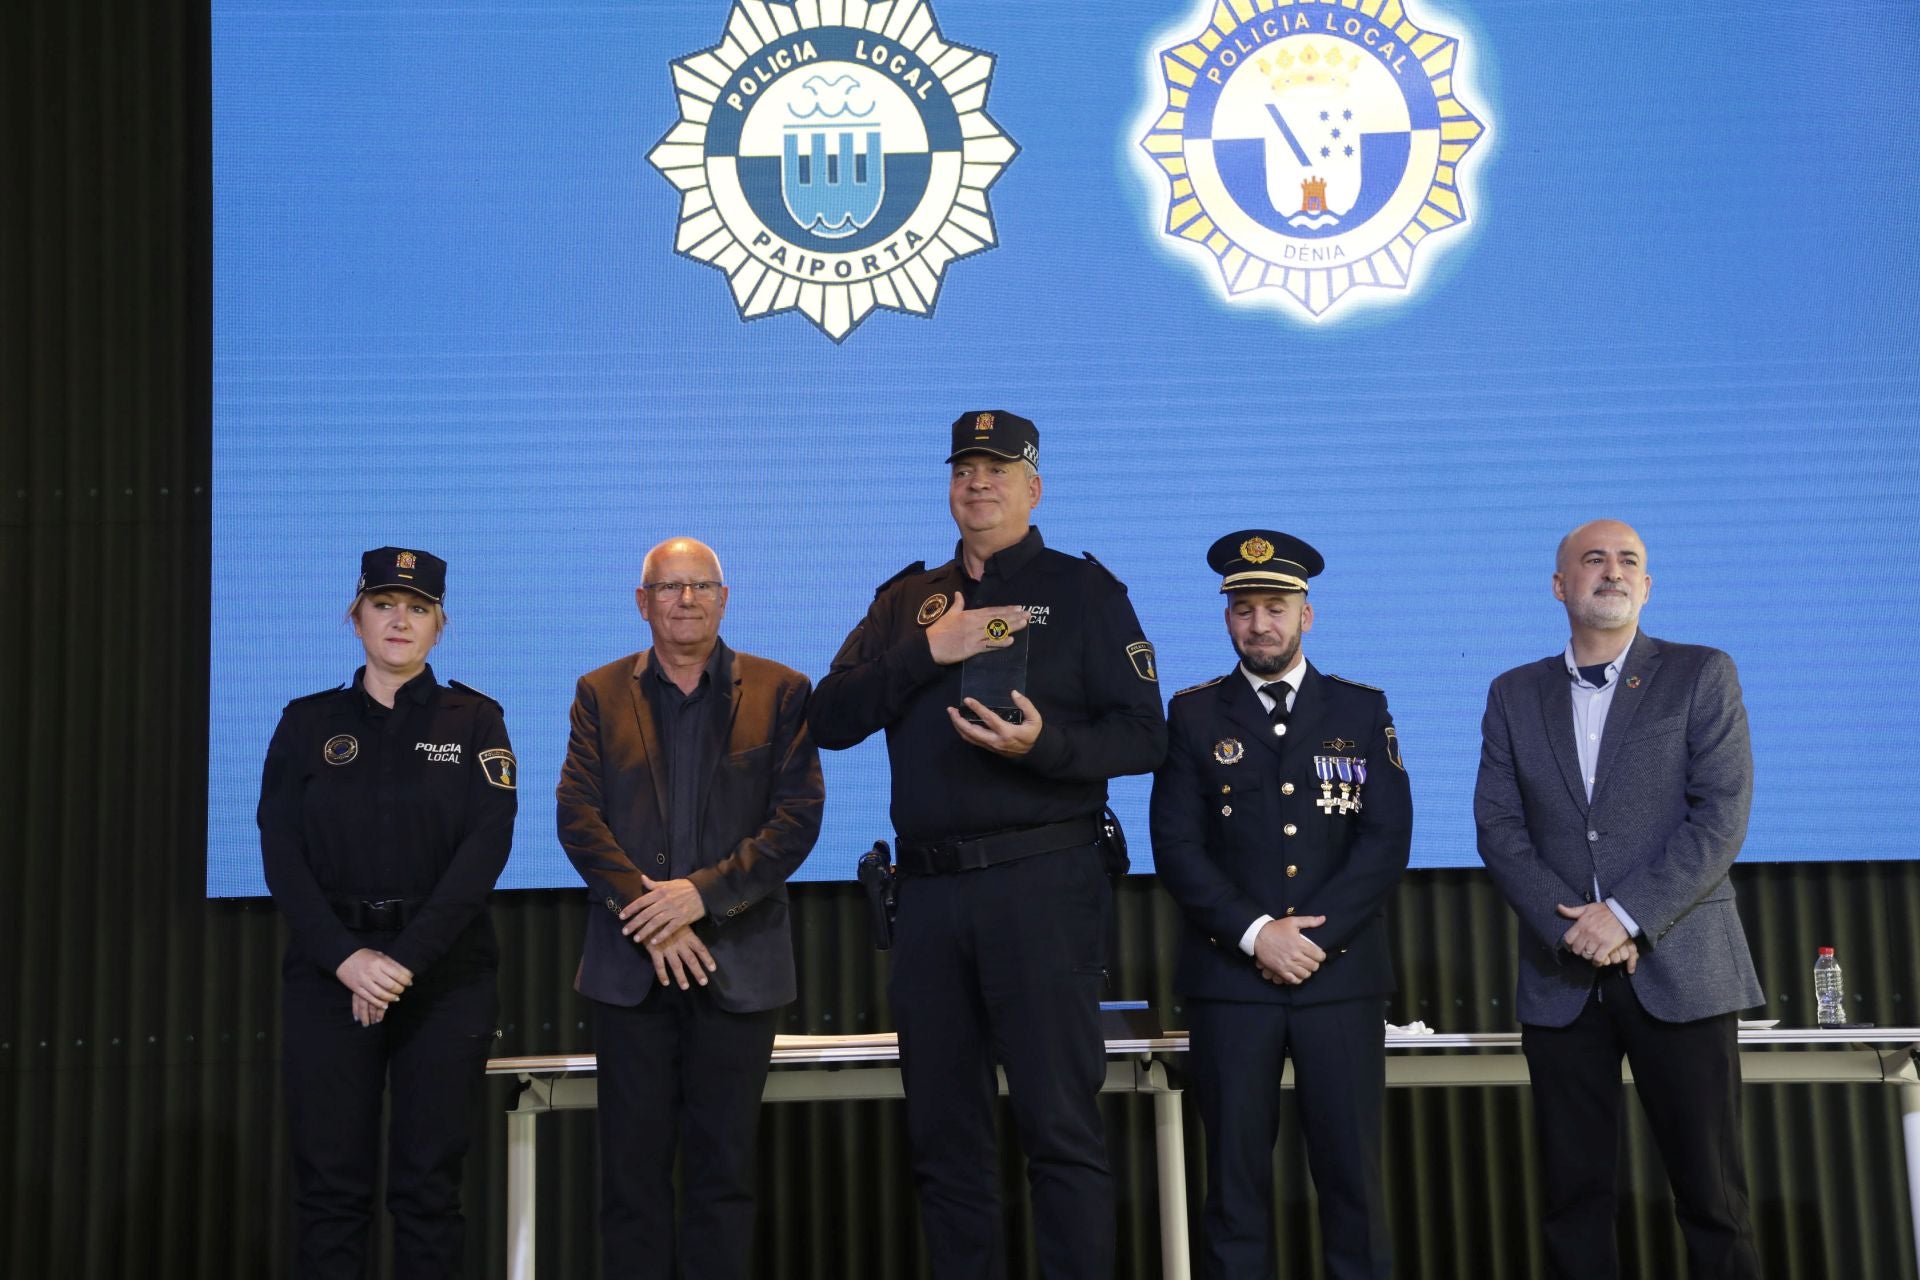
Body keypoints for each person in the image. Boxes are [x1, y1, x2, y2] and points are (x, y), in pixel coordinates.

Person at [808, 410, 1167, 1280]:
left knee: (1060, 1130)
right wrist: (928, 651)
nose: (978, 482)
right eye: (965, 468)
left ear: (1033, 487)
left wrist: (1044, 749)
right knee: (944, 1138)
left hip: (1043, 885)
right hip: (928, 899)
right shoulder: (908, 601)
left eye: (998, 469)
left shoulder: (1085, 593)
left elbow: (1145, 737)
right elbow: (831, 717)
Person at [1474, 518, 1763, 1280]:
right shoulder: (1512, 692)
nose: (1612, 570)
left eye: (1628, 560)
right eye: (1592, 559)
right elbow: (1499, 830)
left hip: (1683, 968)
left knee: (1712, 1197)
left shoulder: (1702, 673)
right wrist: (1574, 929)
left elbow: (1721, 814)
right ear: (1559, 585)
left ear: (1648, 585)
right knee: (1574, 1199)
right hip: (1563, 979)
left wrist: (1626, 916)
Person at [557, 536, 823, 1280]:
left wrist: (698, 898)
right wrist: (652, 911)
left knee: (724, 1179)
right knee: (630, 1181)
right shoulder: (599, 691)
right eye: (669, 587)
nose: (686, 599)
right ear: (642, 603)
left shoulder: (781, 690)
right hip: (629, 970)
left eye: (702, 585)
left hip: (737, 968)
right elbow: (577, 816)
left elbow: (795, 820)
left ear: (724, 599)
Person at [1149, 530, 1410, 1280]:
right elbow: (1178, 847)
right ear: (1226, 618)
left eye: (1276, 607)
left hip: (1341, 981)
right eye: (1243, 609)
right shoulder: (1194, 716)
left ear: (1307, 615)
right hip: (1231, 985)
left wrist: (1313, 942)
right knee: (1234, 1189)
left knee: (1353, 1183)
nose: (1259, 624)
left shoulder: (1360, 710)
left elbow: (1386, 839)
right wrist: (1259, 934)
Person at [258, 546, 517, 1279]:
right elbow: (281, 852)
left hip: (444, 977)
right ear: (356, 617)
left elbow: (484, 852)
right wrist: (348, 960)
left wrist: (399, 964)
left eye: (418, 608)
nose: (399, 620)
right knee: (331, 1192)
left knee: (429, 1191)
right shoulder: (306, 724)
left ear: (440, 625)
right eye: (383, 605)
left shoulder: (476, 721)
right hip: (327, 974)